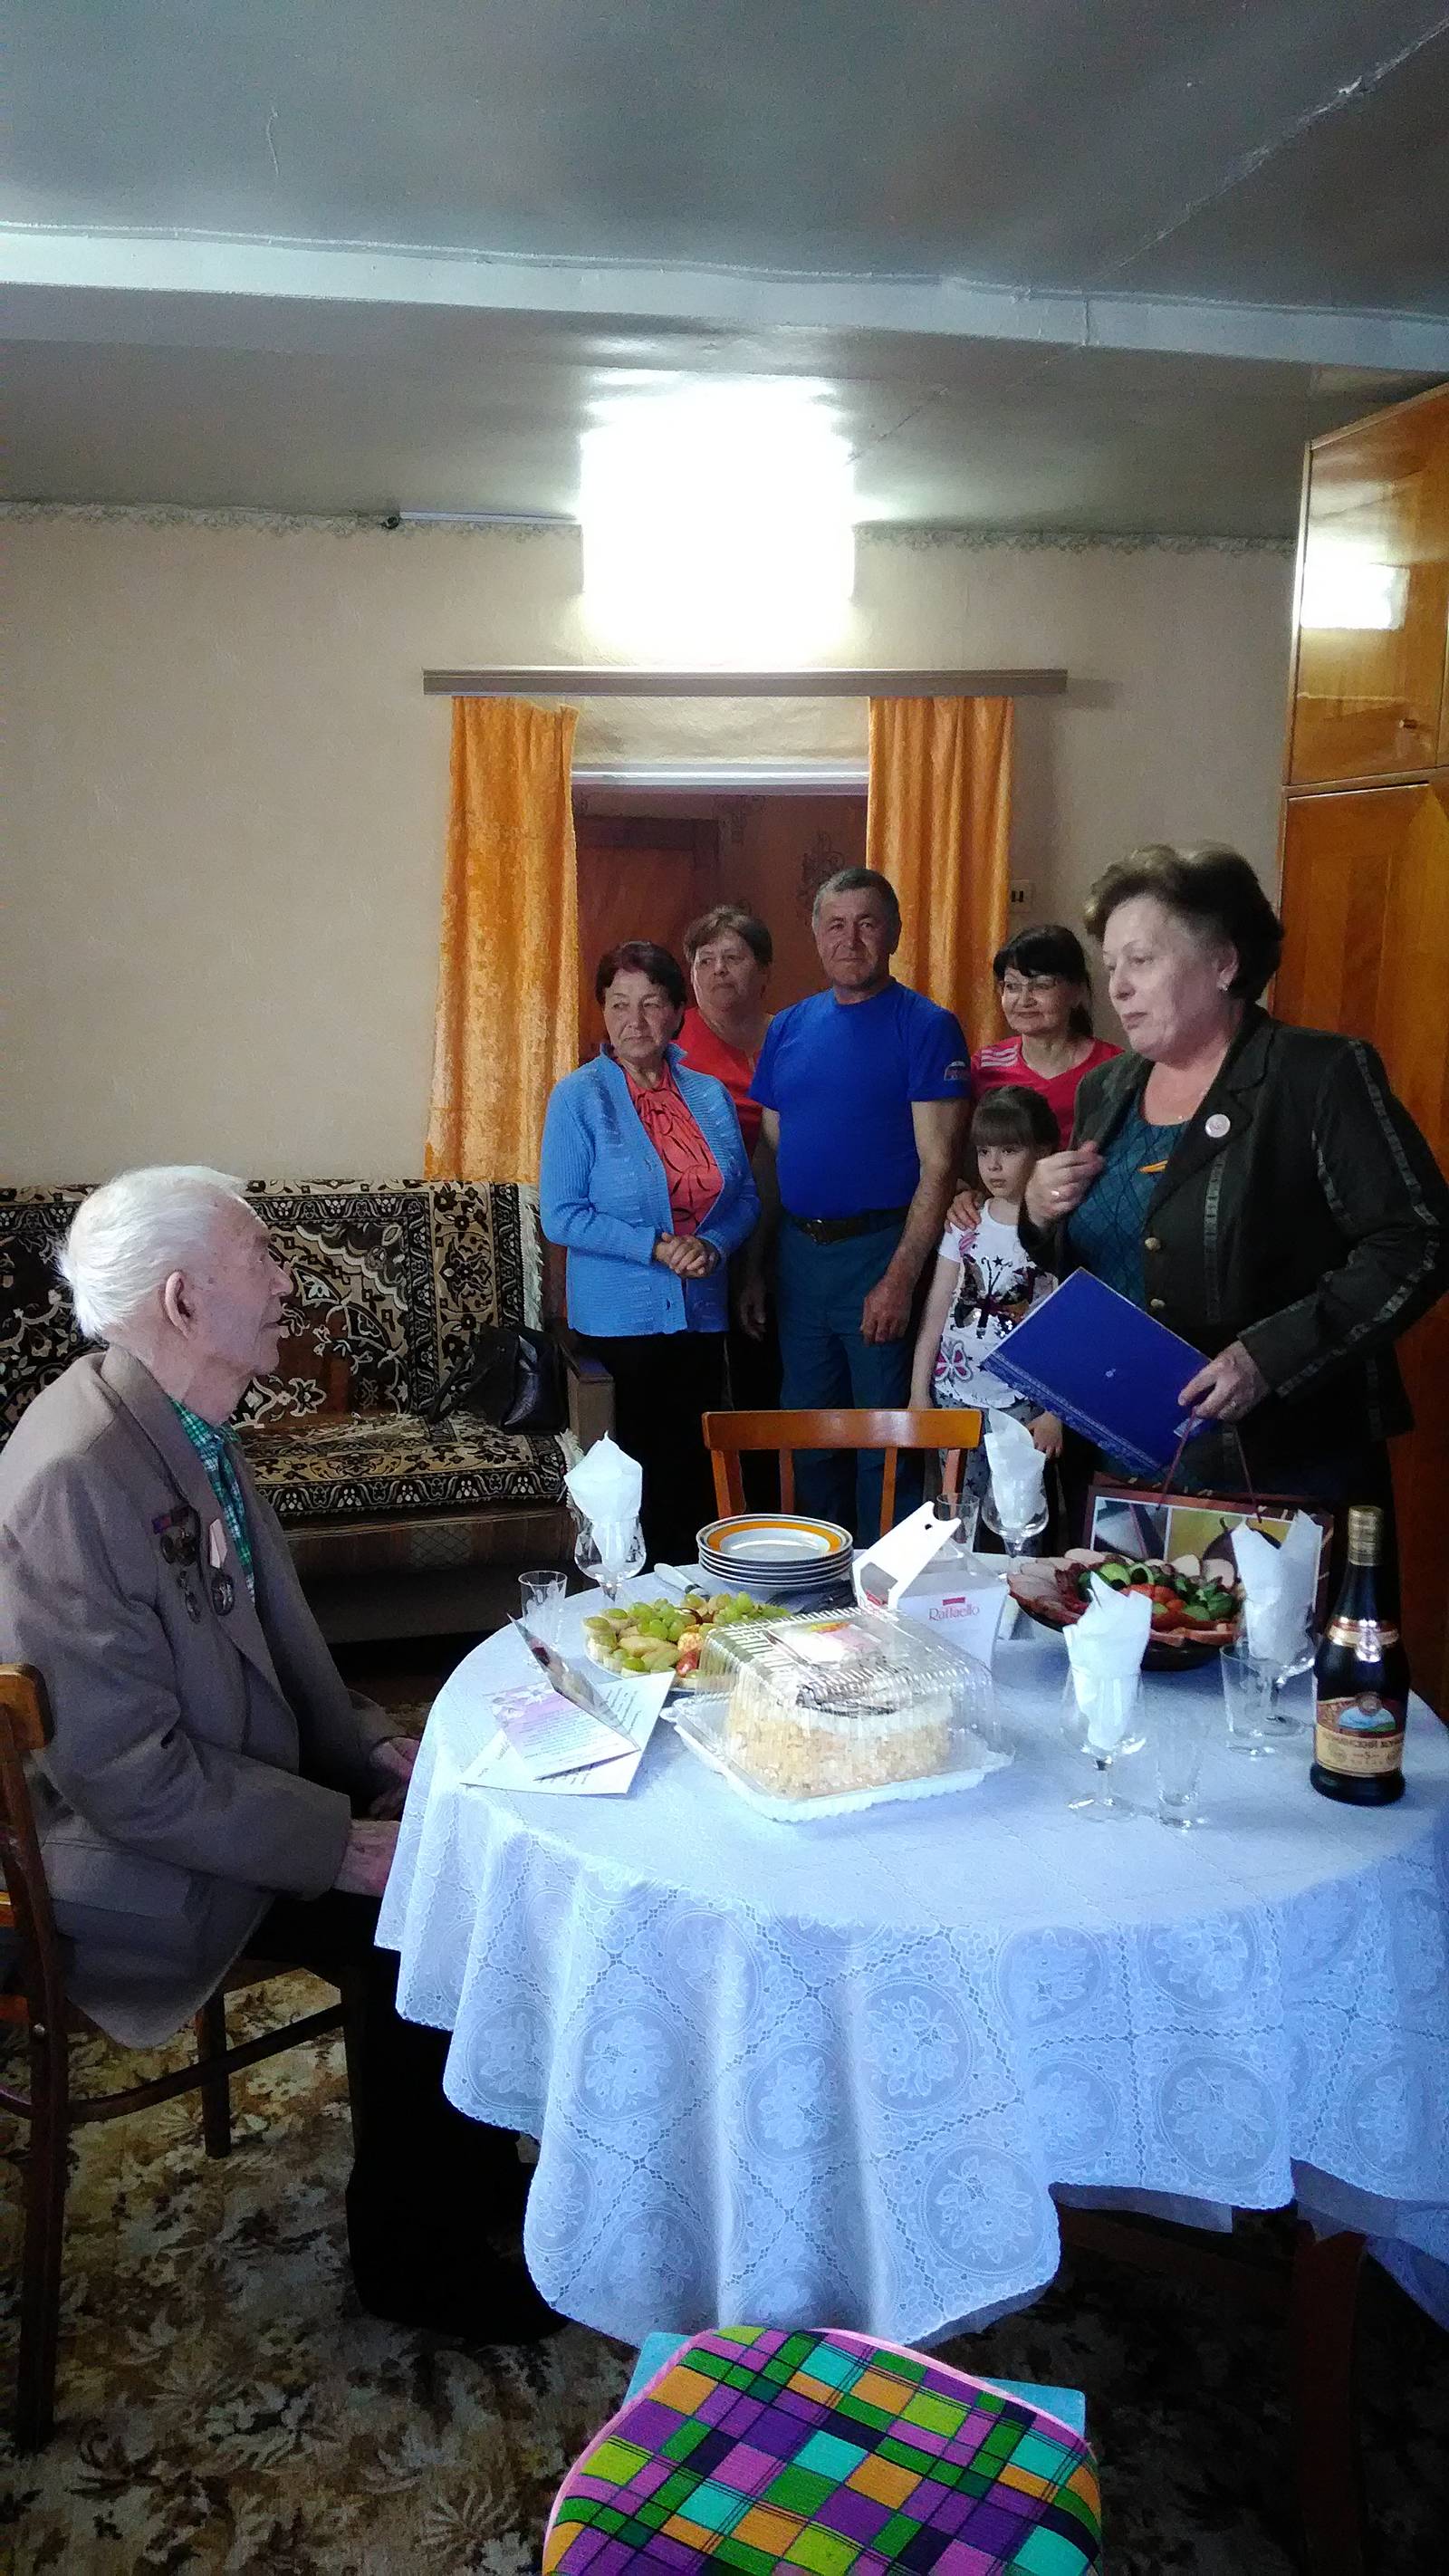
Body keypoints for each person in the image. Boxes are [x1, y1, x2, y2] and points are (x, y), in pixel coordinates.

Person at [0, 1167, 555, 2342]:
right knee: (411, 1909)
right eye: (259, 1257)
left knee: (460, 1847)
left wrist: (376, 1748)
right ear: (182, 1299)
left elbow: (268, 1647)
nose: (288, 1283)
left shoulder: (187, 1423)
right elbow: (126, 1777)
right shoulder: (73, 1475)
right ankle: (414, 2261)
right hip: (128, 1859)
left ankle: (463, 2176)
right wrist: (340, 1845)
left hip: (217, 1787)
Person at [1022, 845, 1449, 1552]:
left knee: (1265, 1629)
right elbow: (1103, 1248)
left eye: (1141, 960)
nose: (1118, 987)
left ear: (1223, 962)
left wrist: (1267, 1357)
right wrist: (1039, 1211)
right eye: (1111, 965)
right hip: (1123, 1458)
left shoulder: (1316, 1075)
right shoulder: (1108, 1087)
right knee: (1127, 1625)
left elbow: (1418, 1239)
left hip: (1281, 1460)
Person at [744, 868, 972, 1540]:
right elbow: (772, 1158)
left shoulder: (927, 1027)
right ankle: (813, 1582)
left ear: (893, 933)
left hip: (881, 1252)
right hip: (799, 1260)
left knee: (884, 1441)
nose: (850, 939)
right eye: (835, 924)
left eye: (867, 923)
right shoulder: (789, 1028)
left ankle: (883, 1589)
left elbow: (940, 1166)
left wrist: (900, 1278)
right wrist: (755, 1268)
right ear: (816, 934)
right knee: (808, 1436)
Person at [540, 940, 760, 1564]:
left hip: (700, 1319)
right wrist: (656, 1247)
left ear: (677, 1013)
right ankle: (632, 1609)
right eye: (619, 1004)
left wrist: (713, 1245)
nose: (634, 1021)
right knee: (635, 1488)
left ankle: (699, 1607)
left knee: (695, 1480)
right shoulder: (579, 1097)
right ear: (602, 1012)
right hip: (620, 1329)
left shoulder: (709, 1095)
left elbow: (745, 1197)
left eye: (651, 1003)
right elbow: (562, 1214)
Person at [910, 1088, 1063, 1504]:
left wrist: (1056, 1413)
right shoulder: (967, 1221)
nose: (993, 1165)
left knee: (1018, 1511)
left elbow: (1067, 1329)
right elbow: (937, 1309)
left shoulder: (1057, 1231)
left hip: (1023, 1400)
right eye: (984, 1152)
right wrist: (919, 1392)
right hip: (953, 1390)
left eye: (1009, 1151)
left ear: (1043, 1152)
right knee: (957, 1506)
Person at [973, 923, 1121, 1136]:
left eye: (1041, 986)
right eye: (1012, 986)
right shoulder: (985, 1065)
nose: (1024, 1000)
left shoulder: (1115, 1069)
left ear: (1077, 992)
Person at [677, 903, 773, 1156]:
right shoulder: (670, 1038)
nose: (719, 968)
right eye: (706, 961)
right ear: (692, 976)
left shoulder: (793, 1034)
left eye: (732, 958)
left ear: (764, 971)